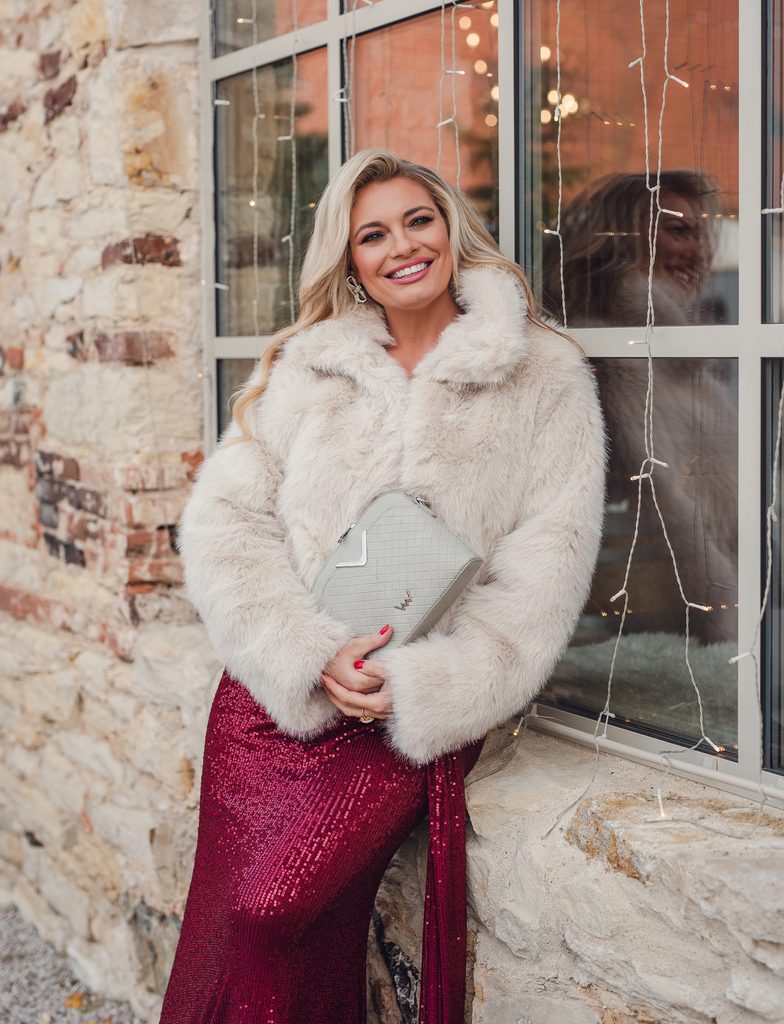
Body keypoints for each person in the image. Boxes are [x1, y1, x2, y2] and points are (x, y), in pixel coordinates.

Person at [158, 149, 606, 1024]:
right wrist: (307, 651)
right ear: (351, 259)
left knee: (275, 909)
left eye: (418, 220)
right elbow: (224, 525)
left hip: (399, 714)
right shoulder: (310, 366)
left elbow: (542, 579)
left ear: (450, 229)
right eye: (373, 235)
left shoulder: (543, 374)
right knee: (232, 921)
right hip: (274, 693)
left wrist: (419, 687)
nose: (402, 246)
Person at [541, 169, 721, 327]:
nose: (700, 253)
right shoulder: (590, 339)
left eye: (702, 235)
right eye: (678, 230)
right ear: (621, 241)